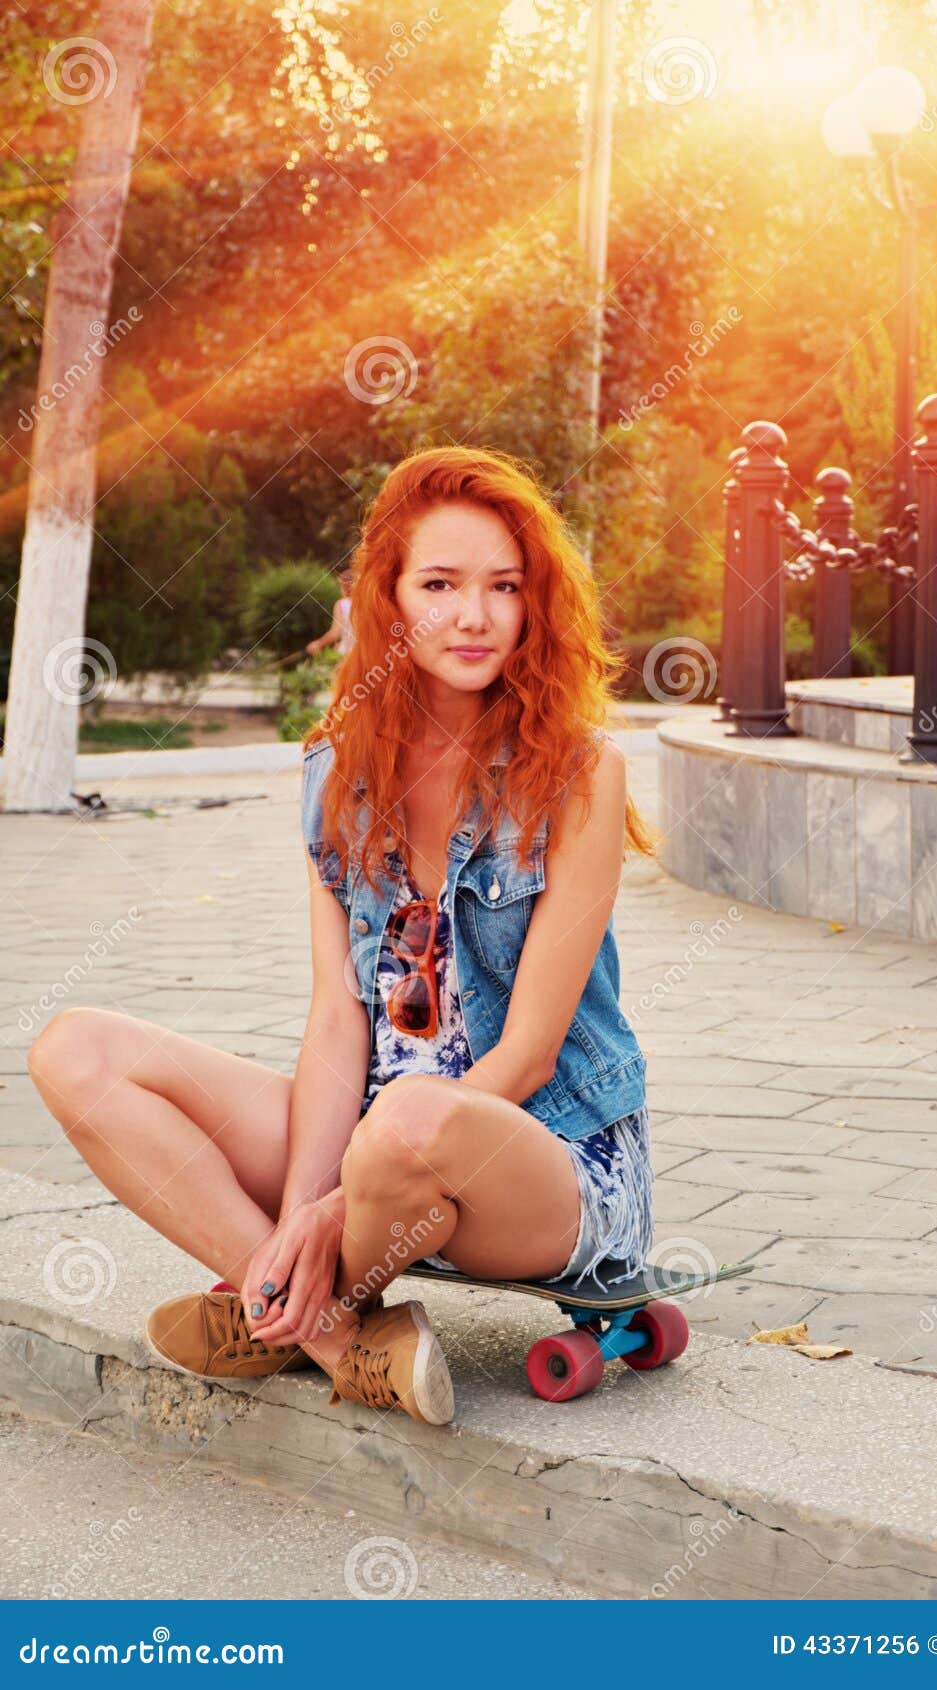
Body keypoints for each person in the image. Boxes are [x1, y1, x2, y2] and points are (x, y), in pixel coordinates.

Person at [26, 444, 660, 1426]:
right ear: (390, 600)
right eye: (440, 585)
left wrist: (329, 1206)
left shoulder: (579, 771)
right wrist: (303, 1207)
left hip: (540, 1157)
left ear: (535, 605)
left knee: (411, 1120)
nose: (474, 616)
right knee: (75, 1050)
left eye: (503, 586)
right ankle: (332, 1333)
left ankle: (268, 1304)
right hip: (375, 1152)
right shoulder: (337, 767)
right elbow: (336, 1022)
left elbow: (531, 1051)